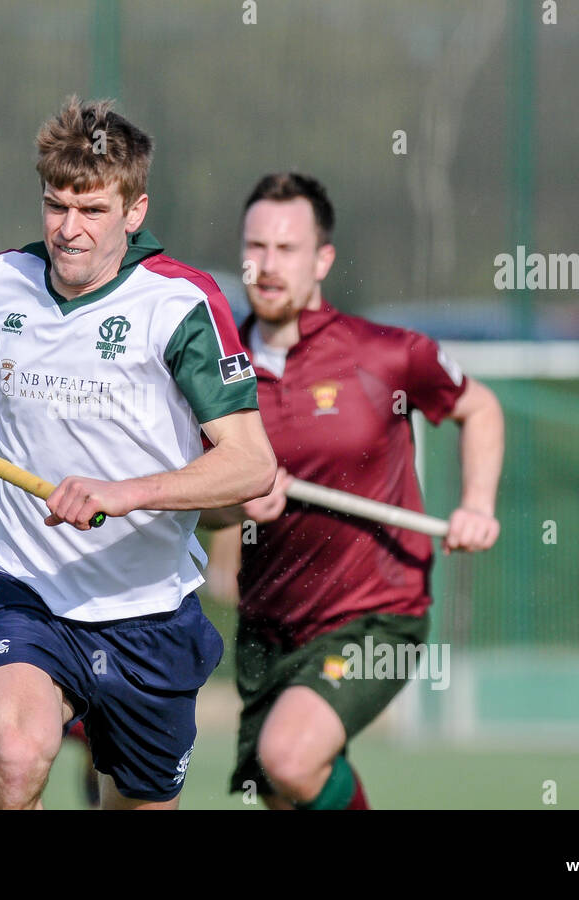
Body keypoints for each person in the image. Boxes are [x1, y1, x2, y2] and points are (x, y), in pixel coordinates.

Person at [0, 97, 276, 809]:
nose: (68, 230)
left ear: (135, 211)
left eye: (93, 211)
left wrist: (124, 492)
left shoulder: (179, 306)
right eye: (55, 206)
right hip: (25, 587)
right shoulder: (3, 279)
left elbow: (250, 464)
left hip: (146, 614)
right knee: (16, 762)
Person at [201, 172, 504, 809]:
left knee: (288, 756)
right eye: (256, 248)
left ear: (323, 259)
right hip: (270, 624)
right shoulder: (216, 375)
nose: (269, 265)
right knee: (288, 790)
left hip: (376, 613)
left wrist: (477, 504)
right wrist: (239, 502)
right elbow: (208, 514)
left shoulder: (386, 355)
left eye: (288, 249)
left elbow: (480, 408)